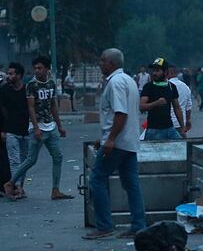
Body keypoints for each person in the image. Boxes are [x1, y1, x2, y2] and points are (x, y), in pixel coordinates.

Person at [82, 49, 146, 240]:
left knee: (97, 178)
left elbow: (120, 114)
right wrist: (104, 137)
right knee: (131, 184)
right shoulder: (128, 80)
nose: (100, 64)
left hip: (117, 143)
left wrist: (109, 139)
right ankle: (138, 225)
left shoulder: (116, 82)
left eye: (102, 61)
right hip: (129, 141)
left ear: (111, 63)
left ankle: (104, 225)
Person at [3, 56, 74, 200]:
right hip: (38, 126)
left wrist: (60, 126)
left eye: (40, 68)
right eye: (35, 68)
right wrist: (35, 127)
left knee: (58, 156)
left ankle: (55, 190)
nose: (37, 71)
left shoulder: (51, 84)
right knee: (31, 159)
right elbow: (31, 108)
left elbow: (53, 105)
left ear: (47, 68)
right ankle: (10, 183)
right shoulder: (31, 85)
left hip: (50, 126)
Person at [1, 63, 29, 198]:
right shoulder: (5, 90)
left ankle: (20, 186)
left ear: (19, 75)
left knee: (25, 161)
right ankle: (16, 186)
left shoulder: (27, 90)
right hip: (11, 130)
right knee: (14, 161)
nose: (9, 76)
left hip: (26, 130)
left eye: (12, 73)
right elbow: (2, 111)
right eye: (8, 73)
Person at [140, 58, 185, 140]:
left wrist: (182, 128)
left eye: (157, 71)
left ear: (165, 72)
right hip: (153, 130)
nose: (154, 73)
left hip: (170, 129)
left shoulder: (171, 87)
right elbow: (142, 107)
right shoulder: (148, 87)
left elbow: (177, 108)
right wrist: (156, 103)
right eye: (153, 70)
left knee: (181, 148)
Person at [168, 65, 193, 136]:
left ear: (167, 73)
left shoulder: (166, 86)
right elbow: (188, 107)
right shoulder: (185, 86)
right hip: (180, 123)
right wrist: (187, 121)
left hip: (167, 124)